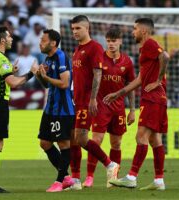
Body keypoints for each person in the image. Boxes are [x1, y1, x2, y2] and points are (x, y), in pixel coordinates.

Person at [104, 18, 170, 190]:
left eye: (134, 29)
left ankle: (132, 177)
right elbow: (140, 79)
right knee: (155, 140)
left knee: (140, 137)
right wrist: (119, 93)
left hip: (153, 98)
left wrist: (157, 81)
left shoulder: (149, 44)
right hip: (158, 98)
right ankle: (159, 181)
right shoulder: (145, 50)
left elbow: (165, 56)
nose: (132, 32)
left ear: (144, 31)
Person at [0, 26, 37, 193]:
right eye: (9, 37)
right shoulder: (2, 60)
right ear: (3, 40)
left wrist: (10, 71)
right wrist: (31, 74)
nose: (12, 39)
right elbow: (14, 83)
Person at [70, 15, 119, 189]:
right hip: (76, 100)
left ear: (87, 28)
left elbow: (98, 74)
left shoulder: (94, 48)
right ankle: (75, 179)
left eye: (78, 28)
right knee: (74, 140)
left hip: (87, 101)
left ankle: (109, 164)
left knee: (81, 139)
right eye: (73, 28)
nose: (74, 31)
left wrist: (92, 99)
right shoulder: (77, 49)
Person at [82, 28, 136, 188]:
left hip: (118, 108)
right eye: (109, 41)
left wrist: (132, 110)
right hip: (101, 106)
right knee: (96, 141)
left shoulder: (127, 62)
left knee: (116, 143)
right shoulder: (99, 59)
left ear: (120, 41)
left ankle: (113, 178)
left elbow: (130, 86)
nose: (111, 44)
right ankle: (90, 177)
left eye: (114, 41)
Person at [35, 29, 75, 192]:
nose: (40, 42)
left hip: (63, 109)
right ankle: (66, 177)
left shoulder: (61, 57)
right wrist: (40, 75)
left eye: (43, 40)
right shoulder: (48, 59)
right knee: (44, 143)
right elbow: (48, 84)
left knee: (64, 144)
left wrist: (46, 77)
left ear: (53, 43)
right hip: (50, 108)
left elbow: (64, 83)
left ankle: (60, 181)